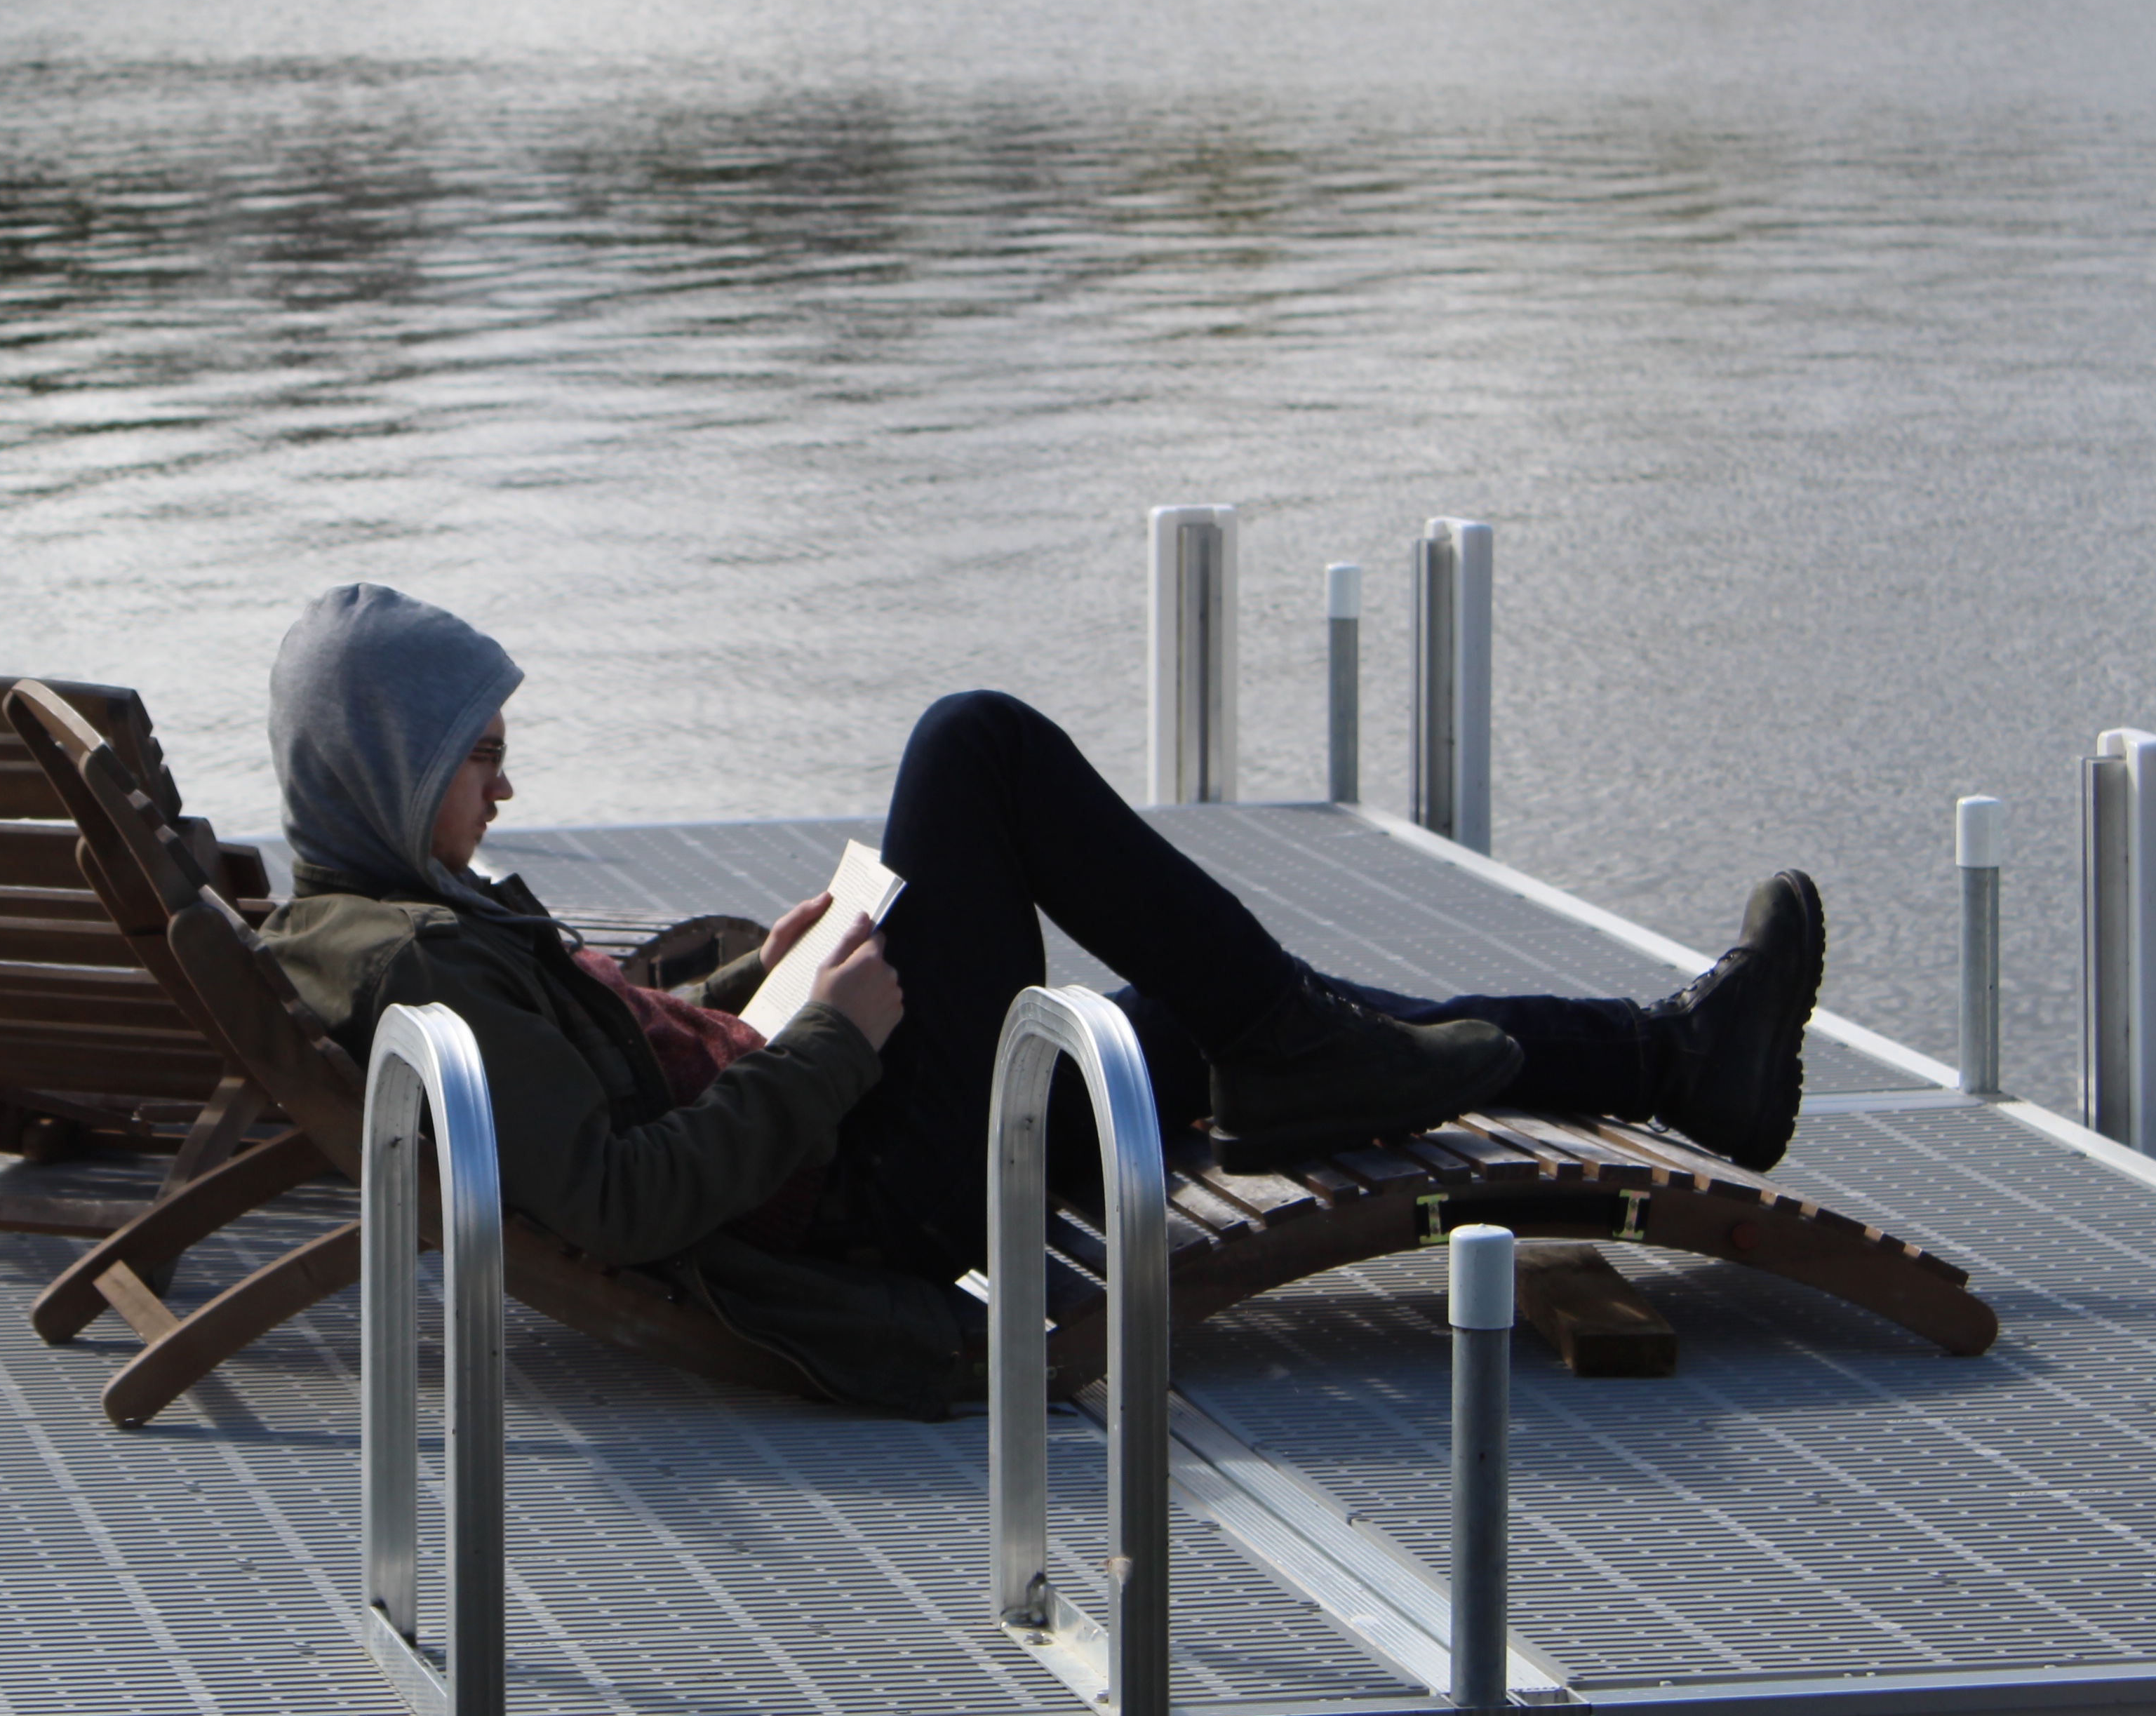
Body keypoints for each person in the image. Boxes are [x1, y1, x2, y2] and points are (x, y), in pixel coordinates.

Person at [259, 584, 1823, 1417]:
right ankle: (1335, 1048)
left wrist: (763, 977)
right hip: (878, 1194)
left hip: (842, 1126)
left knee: (1195, 1022)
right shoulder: (418, 967)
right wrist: (834, 1035)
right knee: (975, 746)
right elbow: (621, 1200)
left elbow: (606, 1063)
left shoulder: (395, 909)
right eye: (479, 757)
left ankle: (1677, 1060)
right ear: (389, 766)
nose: (507, 785)